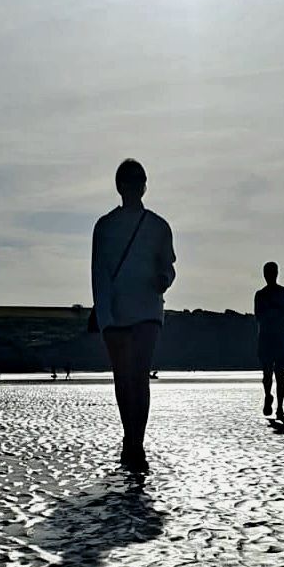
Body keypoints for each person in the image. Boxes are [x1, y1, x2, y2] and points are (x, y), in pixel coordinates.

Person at [91, 159, 176, 472]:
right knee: (135, 379)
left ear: (120, 186)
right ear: (144, 186)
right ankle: (134, 441)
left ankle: (133, 441)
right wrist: (162, 279)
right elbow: (168, 269)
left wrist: (104, 317)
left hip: (122, 314)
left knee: (127, 380)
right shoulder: (157, 225)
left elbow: (98, 276)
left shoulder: (106, 226)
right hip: (143, 313)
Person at [254, 262, 284, 422]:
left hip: (279, 336)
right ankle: (269, 396)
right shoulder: (260, 294)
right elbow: (258, 316)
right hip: (268, 336)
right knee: (268, 373)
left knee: (279, 374)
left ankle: (280, 407)